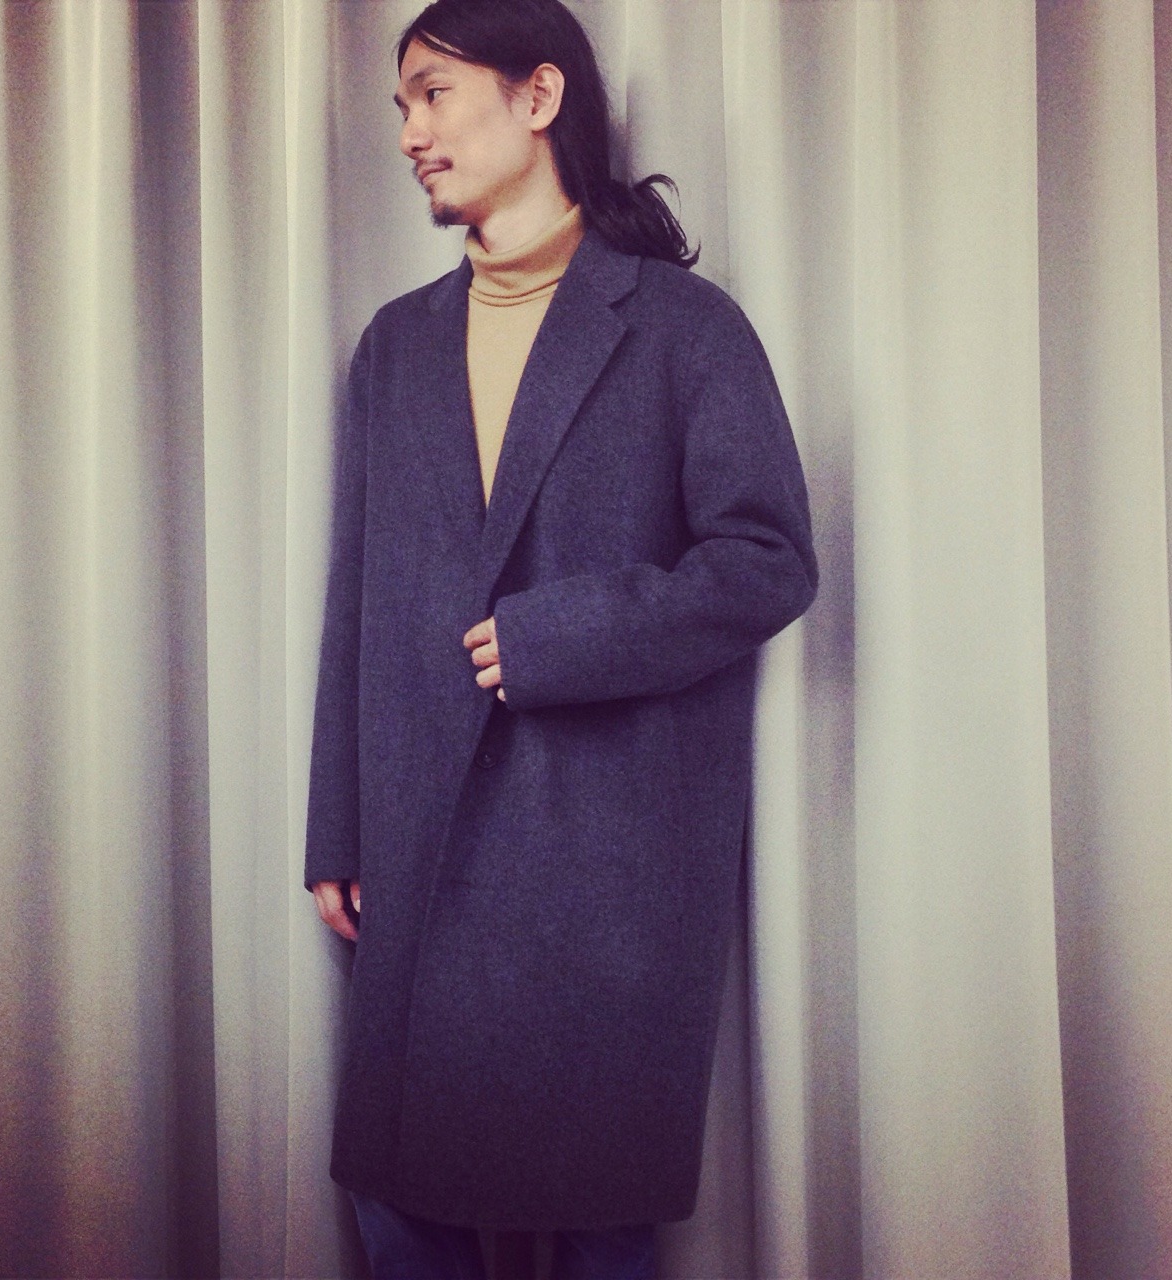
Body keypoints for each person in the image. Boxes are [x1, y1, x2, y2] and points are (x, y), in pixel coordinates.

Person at [305, 0, 817, 1275]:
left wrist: (561, 634)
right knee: (399, 1200)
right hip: (418, 843)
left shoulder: (685, 328)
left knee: (595, 1218)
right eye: (400, 106)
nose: (409, 133)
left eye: (433, 93)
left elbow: (767, 559)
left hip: (604, 855)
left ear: (537, 98)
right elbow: (355, 597)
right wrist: (337, 827)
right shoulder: (393, 346)